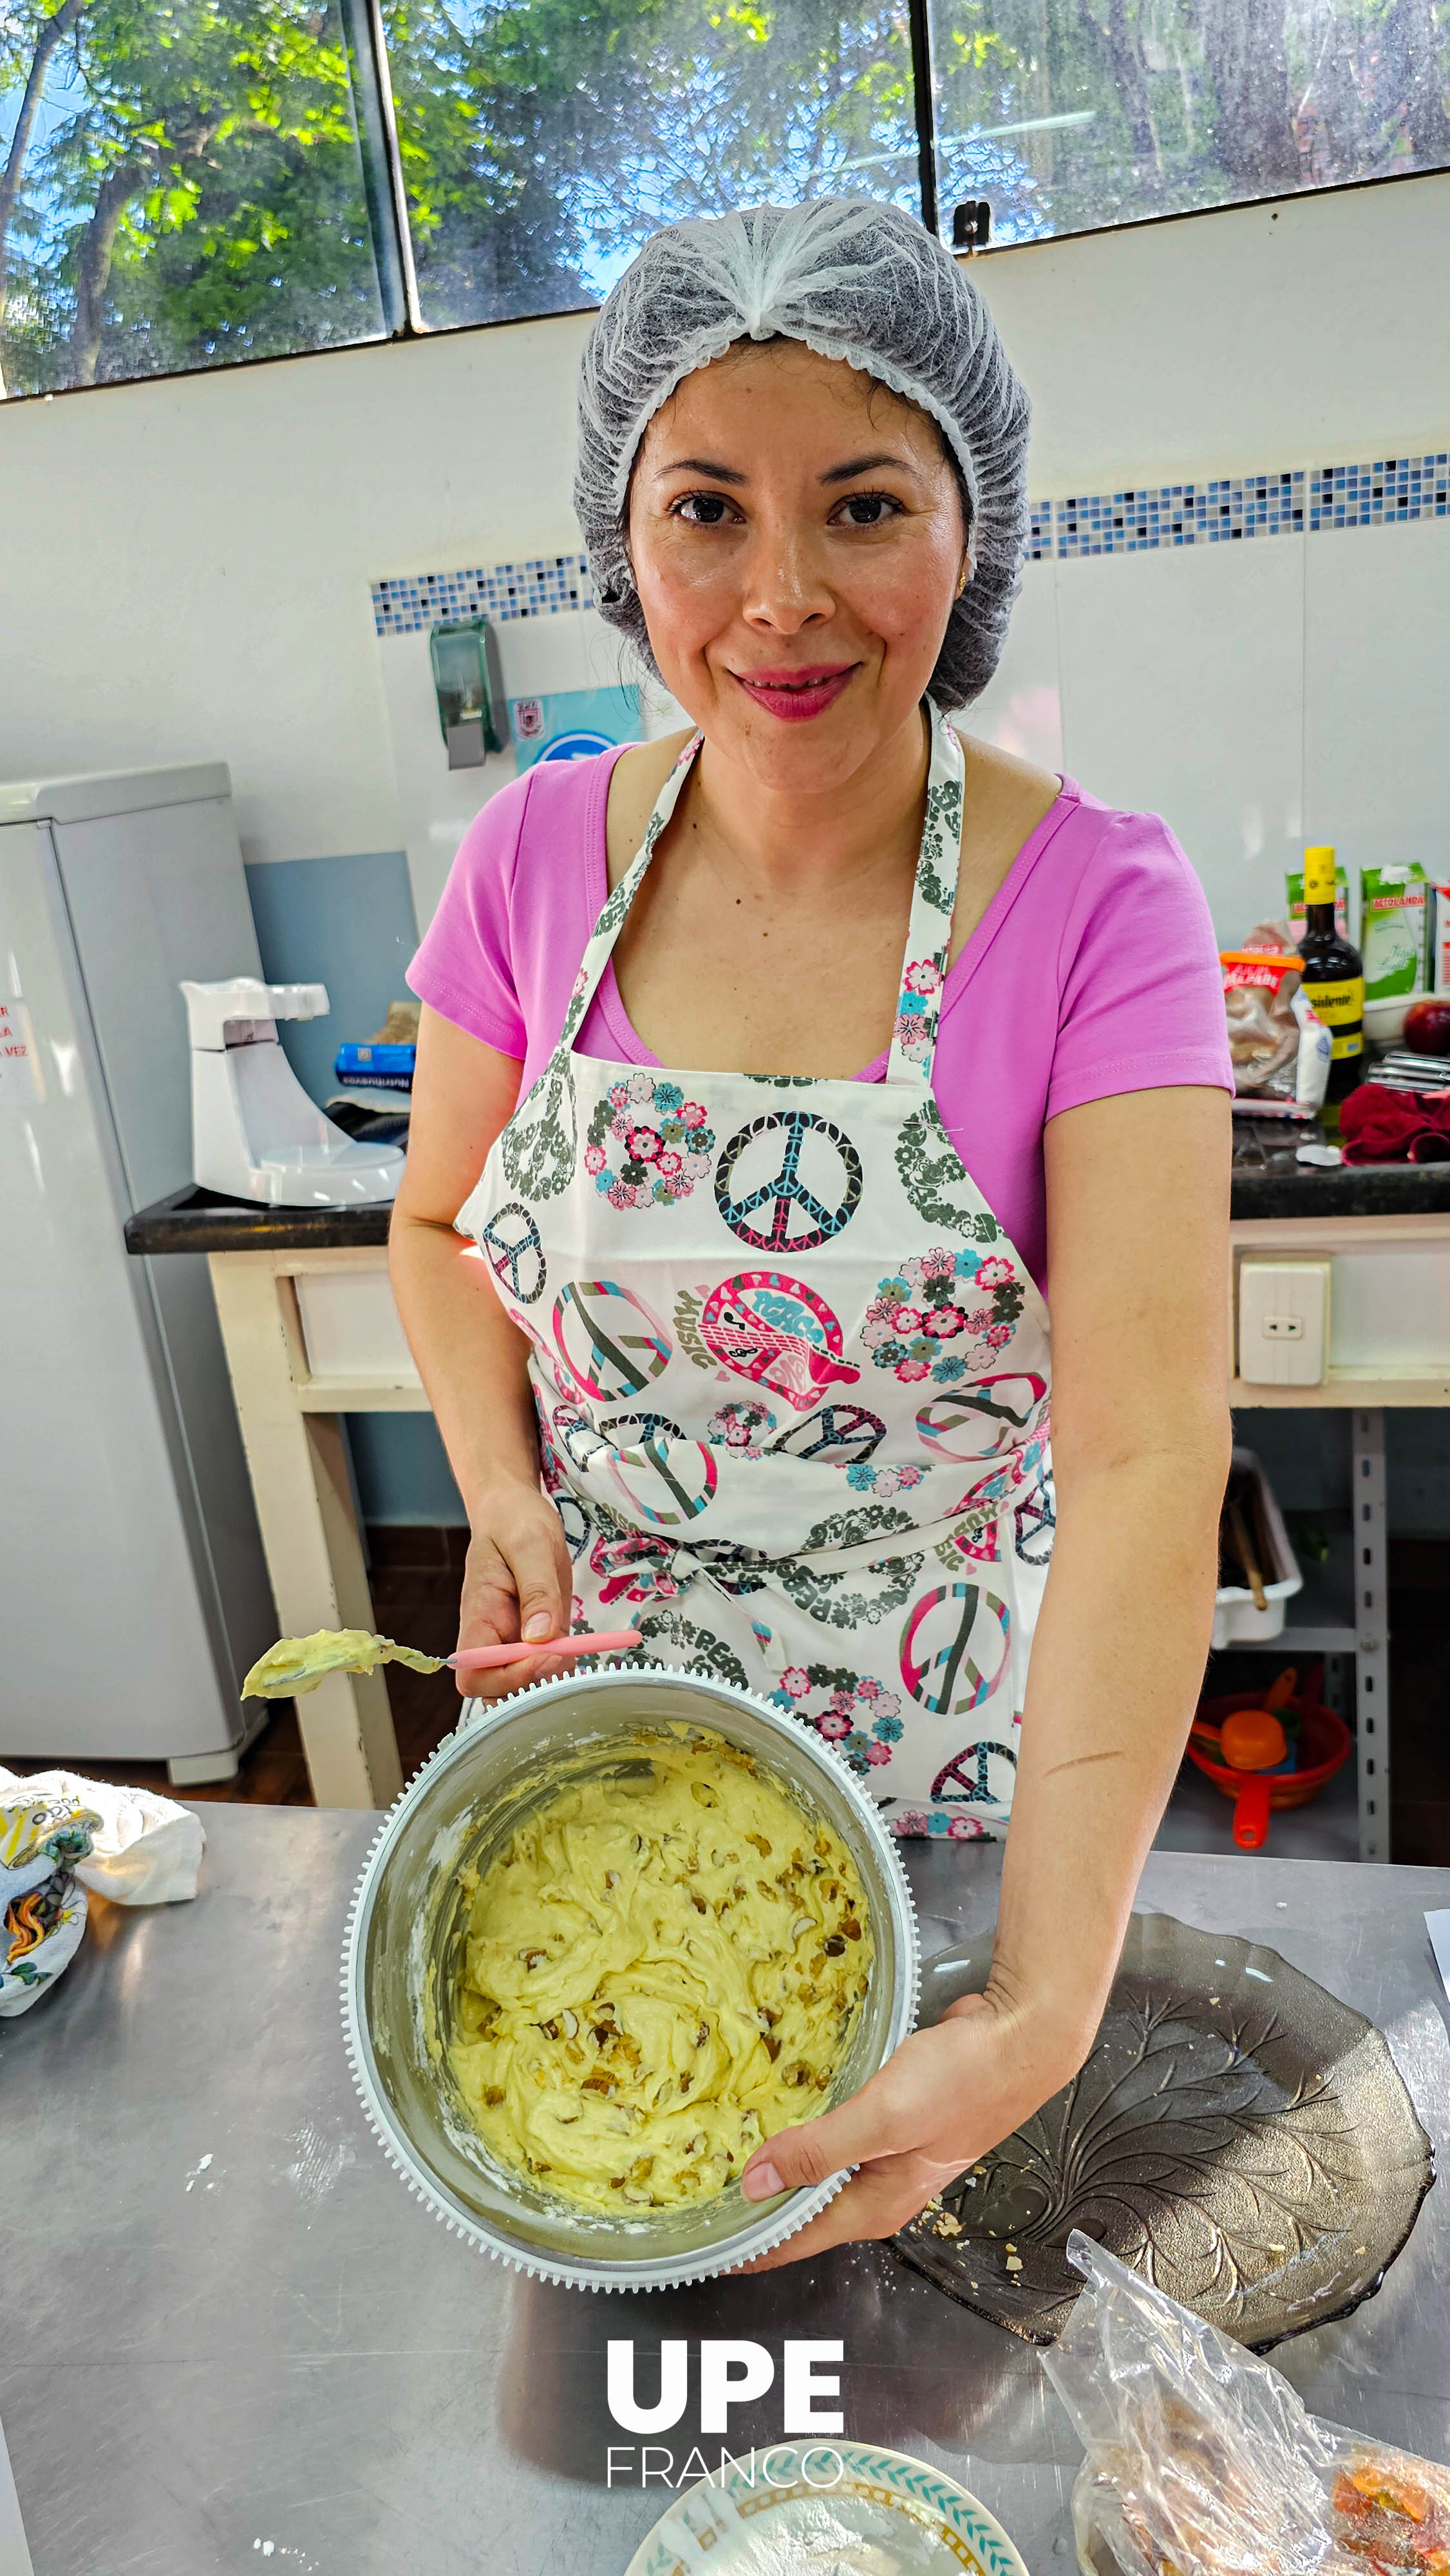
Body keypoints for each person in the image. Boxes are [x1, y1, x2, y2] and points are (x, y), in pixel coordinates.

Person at [391, 197, 1232, 2265]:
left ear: (973, 530)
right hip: (599, 1740)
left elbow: (1144, 1448)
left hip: (968, 1764)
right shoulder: (524, 860)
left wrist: (1038, 2001)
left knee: (937, 2352)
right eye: (705, 511)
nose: (780, 601)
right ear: (624, 536)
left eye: (862, 505)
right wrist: (501, 1483)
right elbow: (432, 1226)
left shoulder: (1103, 907)